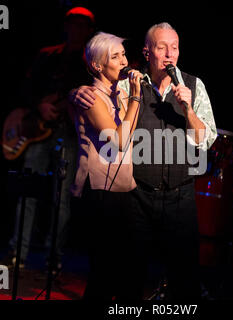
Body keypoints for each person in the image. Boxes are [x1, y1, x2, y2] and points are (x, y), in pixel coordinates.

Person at [70, 22, 217, 299]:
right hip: (137, 195)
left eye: (174, 47)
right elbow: (97, 92)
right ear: (147, 53)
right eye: (162, 48)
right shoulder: (127, 85)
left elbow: (205, 141)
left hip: (180, 196)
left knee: (185, 278)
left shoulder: (194, 86)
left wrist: (187, 110)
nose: (169, 54)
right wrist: (75, 92)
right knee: (130, 277)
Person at [0, 7, 96, 273]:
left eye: (82, 25)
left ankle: (54, 259)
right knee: (28, 191)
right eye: (72, 24)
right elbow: (25, 89)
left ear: (89, 30)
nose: (76, 29)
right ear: (66, 26)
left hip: (70, 132)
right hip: (37, 131)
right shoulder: (47, 55)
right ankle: (17, 253)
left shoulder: (91, 64)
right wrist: (39, 105)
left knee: (62, 198)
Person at [72, 31, 143, 300]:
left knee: (125, 270)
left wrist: (130, 98)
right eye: (115, 56)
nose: (124, 61)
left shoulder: (119, 94)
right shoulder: (91, 97)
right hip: (99, 188)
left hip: (124, 187)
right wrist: (135, 98)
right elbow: (119, 142)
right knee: (103, 272)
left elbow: (132, 134)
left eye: (123, 54)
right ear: (97, 65)